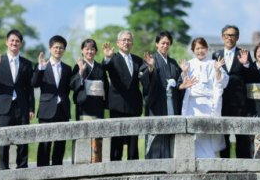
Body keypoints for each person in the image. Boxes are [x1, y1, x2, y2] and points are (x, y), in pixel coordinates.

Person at [0, 29, 35, 170]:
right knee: (4, 140)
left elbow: (29, 88)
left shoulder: (27, 63)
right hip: (3, 107)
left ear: (21, 44)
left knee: (23, 139)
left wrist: (31, 108)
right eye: (12, 40)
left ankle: (22, 168)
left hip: (22, 106)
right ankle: (3, 170)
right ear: (7, 42)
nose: (14, 43)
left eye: (17, 41)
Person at [181, 37, 229, 158]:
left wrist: (217, 70)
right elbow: (183, 84)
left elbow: (223, 82)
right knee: (194, 134)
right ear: (193, 50)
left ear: (207, 49)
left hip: (208, 104)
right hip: (193, 104)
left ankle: (208, 163)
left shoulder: (213, 63)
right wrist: (185, 72)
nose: (200, 51)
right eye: (197, 48)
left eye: (202, 48)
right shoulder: (189, 64)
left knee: (207, 134)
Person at [139, 31, 184, 159]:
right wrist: (151, 68)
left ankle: (169, 162)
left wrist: (180, 82)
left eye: (168, 43)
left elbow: (180, 81)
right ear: (157, 44)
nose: (165, 46)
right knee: (156, 133)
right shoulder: (151, 59)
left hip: (171, 103)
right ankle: (153, 163)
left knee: (169, 133)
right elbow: (144, 80)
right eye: (162, 43)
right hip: (157, 103)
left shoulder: (173, 62)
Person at [102, 30, 144, 161]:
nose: (126, 42)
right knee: (117, 139)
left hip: (134, 104)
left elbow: (145, 79)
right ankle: (115, 166)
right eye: (124, 40)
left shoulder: (137, 60)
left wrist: (151, 68)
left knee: (133, 139)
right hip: (117, 104)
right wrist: (107, 57)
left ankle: (134, 167)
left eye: (129, 40)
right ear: (118, 43)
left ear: (132, 43)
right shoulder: (113, 58)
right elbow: (104, 67)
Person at [212, 25, 252, 158]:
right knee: (223, 135)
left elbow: (251, 76)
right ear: (222, 37)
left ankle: (243, 167)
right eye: (227, 35)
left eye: (232, 35)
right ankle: (224, 166)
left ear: (237, 38)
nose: (229, 38)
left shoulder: (244, 53)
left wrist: (246, 64)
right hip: (222, 101)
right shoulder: (216, 54)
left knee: (241, 136)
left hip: (240, 102)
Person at [32, 35, 72, 166]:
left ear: (64, 50)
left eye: (61, 48)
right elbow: (34, 83)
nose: (58, 50)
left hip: (63, 109)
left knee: (60, 142)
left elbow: (67, 89)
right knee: (45, 142)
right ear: (50, 48)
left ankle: (57, 168)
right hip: (47, 109)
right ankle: (42, 170)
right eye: (56, 47)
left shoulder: (67, 68)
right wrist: (40, 68)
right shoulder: (43, 66)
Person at [70, 38, 108, 163]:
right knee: (83, 136)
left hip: (97, 106)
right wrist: (81, 71)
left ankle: (96, 163)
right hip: (84, 106)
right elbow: (72, 85)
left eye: (92, 49)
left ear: (96, 51)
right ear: (82, 50)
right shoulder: (78, 66)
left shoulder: (100, 67)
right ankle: (81, 163)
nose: (89, 51)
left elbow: (106, 86)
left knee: (97, 137)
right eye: (87, 49)